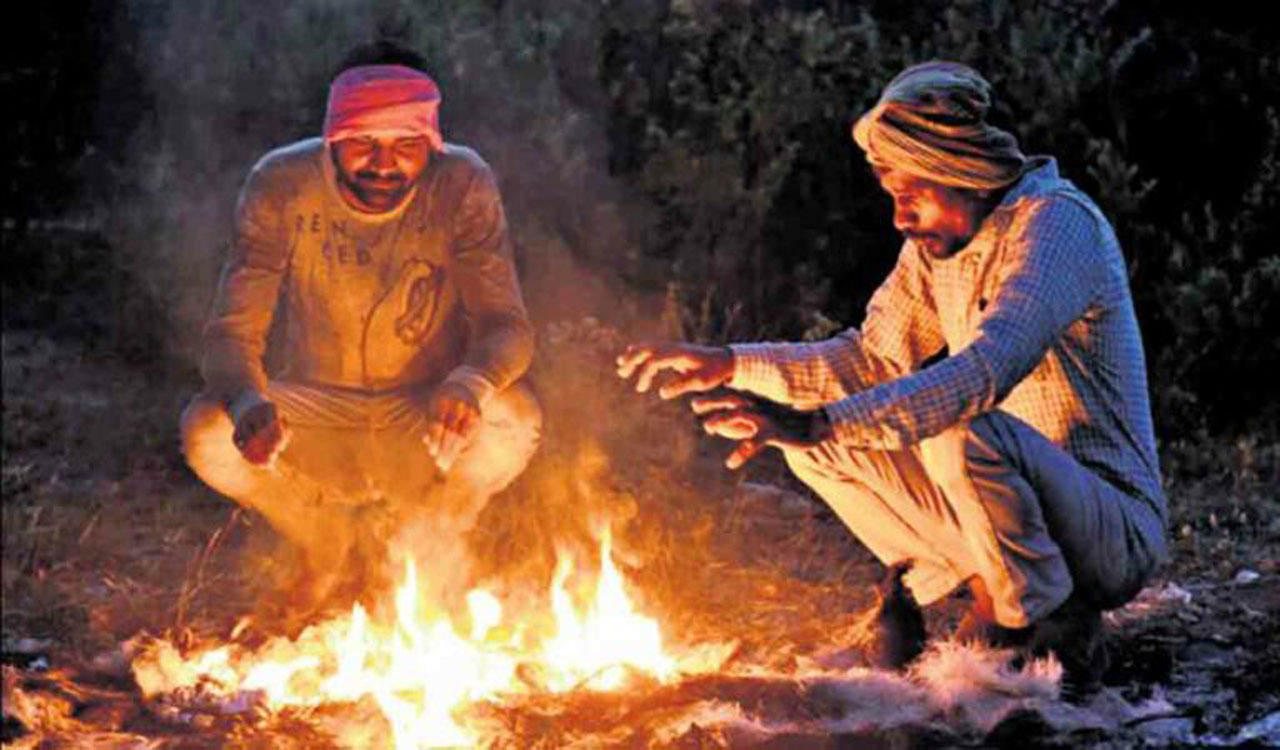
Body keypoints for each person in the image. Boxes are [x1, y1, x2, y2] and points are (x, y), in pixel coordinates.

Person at [617, 61, 1167, 688]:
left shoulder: (1056, 225)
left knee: (958, 432)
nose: (900, 218)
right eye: (893, 198)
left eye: (911, 195)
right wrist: (734, 363)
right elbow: (871, 360)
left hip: (1108, 532)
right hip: (1013, 519)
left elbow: (985, 371)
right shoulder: (940, 246)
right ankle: (985, 589)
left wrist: (821, 419)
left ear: (961, 170)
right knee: (817, 450)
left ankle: (1040, 627)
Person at [180, 41, 542, 609]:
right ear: (333, 138)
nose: (383, 164)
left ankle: (432, 544)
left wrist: (468, 384)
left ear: (430, 143)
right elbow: (231, 333)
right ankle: (321, 542)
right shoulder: (282, 182)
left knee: (513, 418)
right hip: (316, 413)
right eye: (362, 143)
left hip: (423, 413)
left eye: (405, 146)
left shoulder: (463, 183)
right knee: (206, 428)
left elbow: (507, 327)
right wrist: (251, 404)